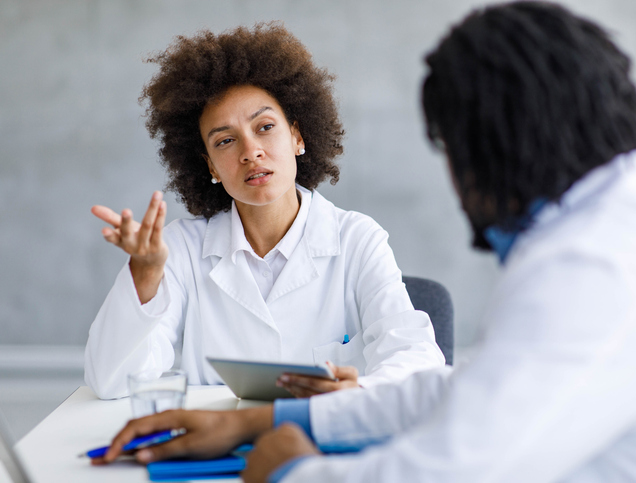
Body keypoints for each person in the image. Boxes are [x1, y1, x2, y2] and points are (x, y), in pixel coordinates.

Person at [96, 2, 636, 482]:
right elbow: (460, 392)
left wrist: (292, 467)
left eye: (451, 150)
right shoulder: (634, 233)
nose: (457, 184)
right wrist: (262, 419)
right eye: (224, 139)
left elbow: (455, 466)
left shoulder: (596, 267)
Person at [85, 23, 445, 400]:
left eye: (265, 127)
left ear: (297, 137)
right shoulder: (181, 248)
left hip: (324, 442)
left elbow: (416, 358)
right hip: (220, 448)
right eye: (226, 140)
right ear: (209, 166)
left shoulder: (357, 239)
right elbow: (111, 382)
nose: (250, 151)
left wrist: (355, 391)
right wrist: (145, 275)